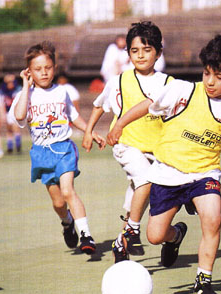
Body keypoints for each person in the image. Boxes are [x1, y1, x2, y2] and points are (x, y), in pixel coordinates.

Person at [107, 31, 221, 294]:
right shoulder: (182, 91)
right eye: (207, 73)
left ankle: (203, 282)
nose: (210, 81)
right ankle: (175, 236)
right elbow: (147, 105)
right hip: (167, 173)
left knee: (213, 218)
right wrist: (119, 124)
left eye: (219, 77)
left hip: (204, 175)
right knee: (154, 236)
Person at [82, 21, 173, 262]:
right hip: (125, 144)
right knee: (145, 181)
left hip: (156, 150)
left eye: (147, 50)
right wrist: (89, 131)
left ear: (159, 52)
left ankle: (121, 243)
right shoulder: (118, 81)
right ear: (128, 53)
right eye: (135, 51)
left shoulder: (168, 84)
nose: (140, 55)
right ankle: (132, 230)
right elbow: (99, 105)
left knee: (138, 195)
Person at [10, 41, 105, 255]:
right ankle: (66, 222)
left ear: (54, 67)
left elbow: (73, 117)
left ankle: (86, 235)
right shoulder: (26, 95)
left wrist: (89, 132)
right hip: (41, 154)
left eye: (48, 67)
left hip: (63, 149)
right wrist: (25, 85)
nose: (43, 73)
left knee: (68, 190)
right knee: (58, 202)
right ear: (29, 71)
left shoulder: (61, 92)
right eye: (37, 69)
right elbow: (19, 116)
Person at [0, 74, 22, 154]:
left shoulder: (17, 90)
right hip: (7, 112)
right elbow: (1, 103)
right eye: (8, 82)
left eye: (11, 82)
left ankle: (18, 145)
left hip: (15, 112)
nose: (10, 84)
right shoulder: (2, 92)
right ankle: (10, 147)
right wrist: (2, 114)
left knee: (16, 128)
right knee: (9, 130)